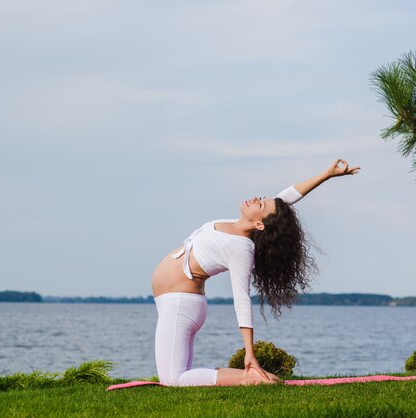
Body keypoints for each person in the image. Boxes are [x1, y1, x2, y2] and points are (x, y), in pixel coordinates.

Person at [151, 159, 360, 386]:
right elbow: (285, 199)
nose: (255, 199)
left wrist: (249, 352)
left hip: (181, 304)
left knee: (173, 378)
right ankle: (247, 377)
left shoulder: (241, 247)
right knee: (178, 372)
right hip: (174, 302)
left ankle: (249, 379)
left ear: (260, 224)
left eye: (260, 204)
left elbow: (242, 299)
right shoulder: (236, 224)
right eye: (261, 198)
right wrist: (326, 175)